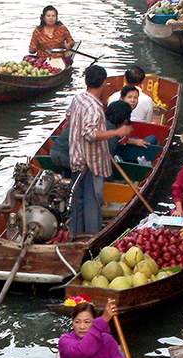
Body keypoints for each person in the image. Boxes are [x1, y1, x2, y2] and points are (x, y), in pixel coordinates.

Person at [67, 65, 134, 237]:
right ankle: (91, 237)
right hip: (90, 163)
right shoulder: (94, 108)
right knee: (92, 202)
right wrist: (117, 132)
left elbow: (70, 117)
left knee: (77, 200)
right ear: (104, 83)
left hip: (76, 157)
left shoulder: (78, 98)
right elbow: (90, 134)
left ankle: (75, 234)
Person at [105, 100, 155, 165]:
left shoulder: (107, 122)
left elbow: (121, 140)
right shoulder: (112, 132)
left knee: (150, 138)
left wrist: (133, 141)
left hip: (117, 151)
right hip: (112, 159)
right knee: (152, 139)